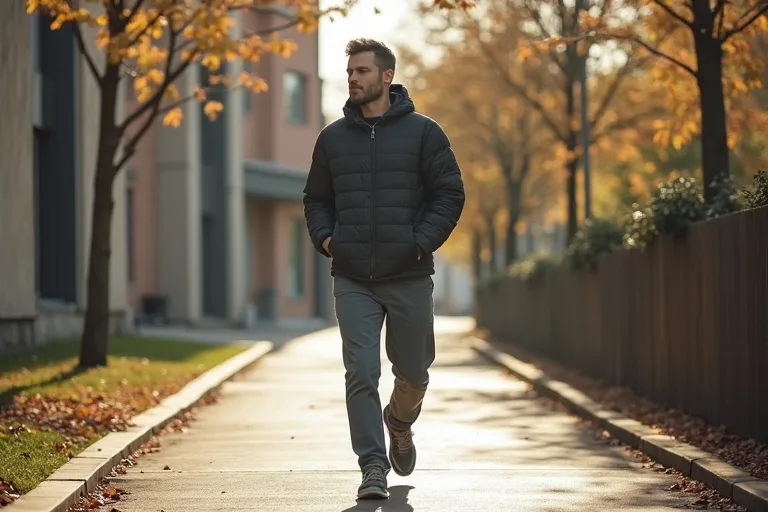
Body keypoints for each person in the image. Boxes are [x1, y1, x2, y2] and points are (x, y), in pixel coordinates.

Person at [302, 38, 465, 500]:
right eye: (350, 71)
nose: (353, 78)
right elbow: (317, 198)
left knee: (414, 372)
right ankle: (372, 465)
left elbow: (449, 194)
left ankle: (400, 420)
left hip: (408, 273)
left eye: (362, 71)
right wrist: (328, 239)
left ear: (387, 77)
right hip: (353, 276)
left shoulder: (424, 133)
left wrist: (419, 242)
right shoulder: (332, 138)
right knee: (361, 373)